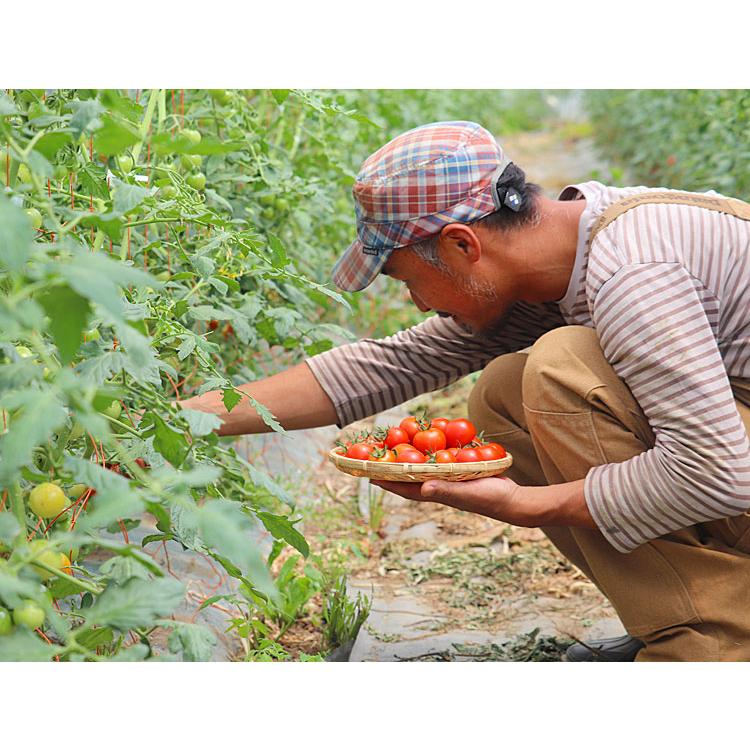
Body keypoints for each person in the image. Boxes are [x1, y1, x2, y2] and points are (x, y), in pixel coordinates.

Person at [179, 120, 750, 662]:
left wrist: (523, 506)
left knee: (557, 370)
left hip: (729, 470)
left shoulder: (632, 274)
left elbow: (714, 472)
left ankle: (711, 642)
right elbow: (389, 366)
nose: (418, 303)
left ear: (461, 245)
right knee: (503, 392)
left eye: (406, 279)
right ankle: (674, 613)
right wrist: (178, 419)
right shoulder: (558, 259)